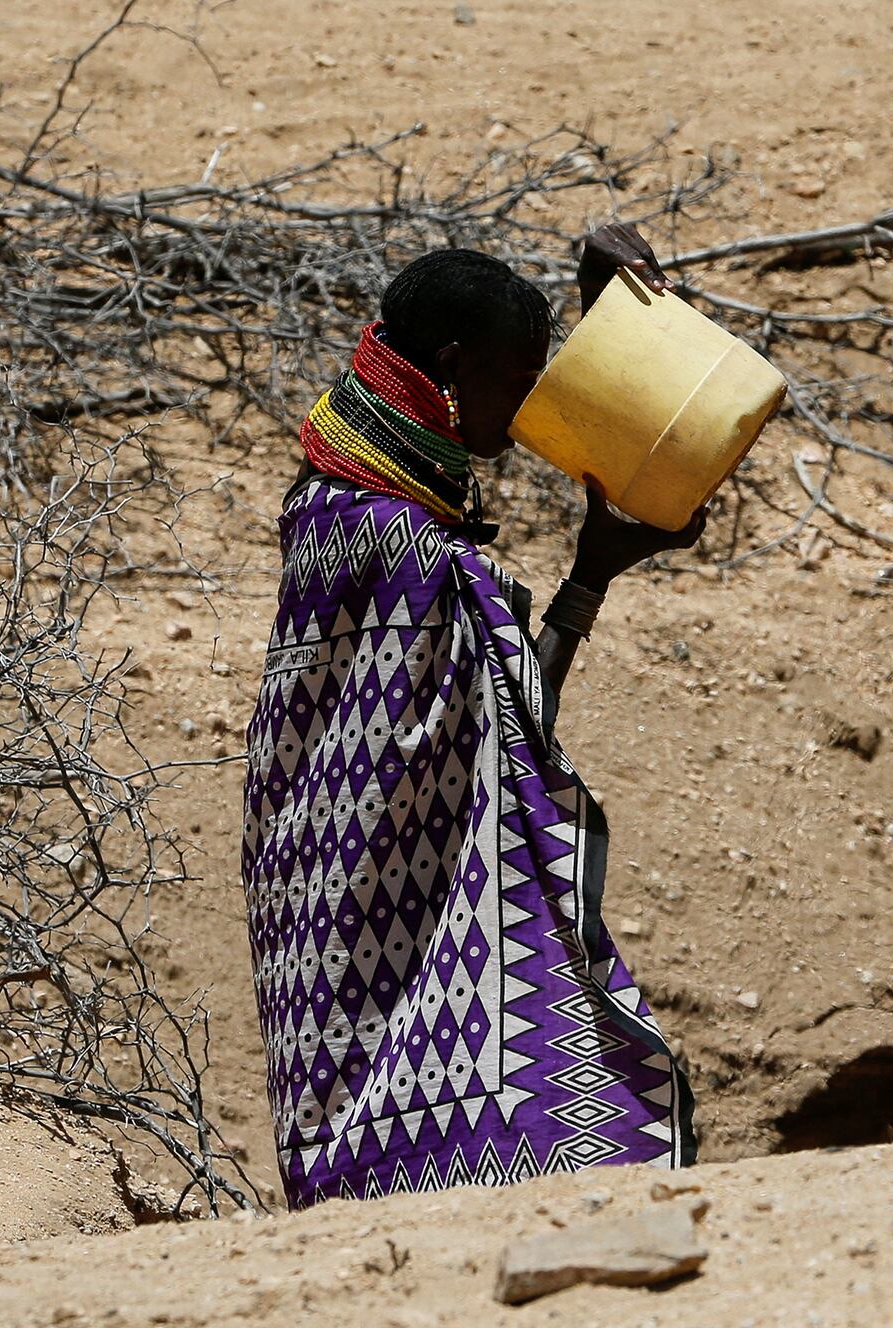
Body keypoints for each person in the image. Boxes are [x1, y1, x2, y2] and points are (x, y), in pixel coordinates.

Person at [240, 225, 701, 1209]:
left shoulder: (334, 495)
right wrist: (590, 576)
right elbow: (515, 727)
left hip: (315, 902)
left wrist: (611, 329)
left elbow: (470, 734)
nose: (534, 406)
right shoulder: (404, 542)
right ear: (451, 370)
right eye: (522, 378)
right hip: (372, 905)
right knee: (579, 1118)